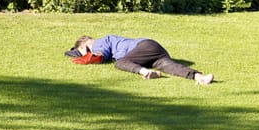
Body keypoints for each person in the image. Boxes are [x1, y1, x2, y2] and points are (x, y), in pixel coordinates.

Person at [70, 34, 214, 85]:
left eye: (83, 50)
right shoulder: (104, 41)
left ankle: (144, 72)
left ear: (86, 43)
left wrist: (87, 57)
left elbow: (100, 56)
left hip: (144, 46)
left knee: (120, 63)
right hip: (152, 51)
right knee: (171, 67)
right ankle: (200, 77)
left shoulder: (100, 41)